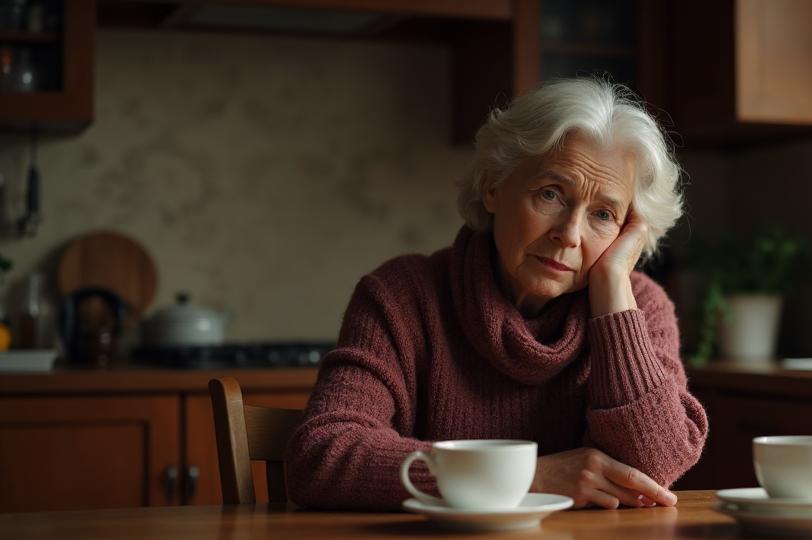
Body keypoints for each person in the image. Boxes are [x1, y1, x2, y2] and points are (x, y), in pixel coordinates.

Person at [285, 78, 708, 511]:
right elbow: (322, 454)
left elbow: (652, 468)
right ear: (492, 185)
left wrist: (616, 291)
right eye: (550, 194)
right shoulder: (401, 296)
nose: (569, 234)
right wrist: (529, 478)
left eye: (603, 214)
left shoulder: (639, 306)